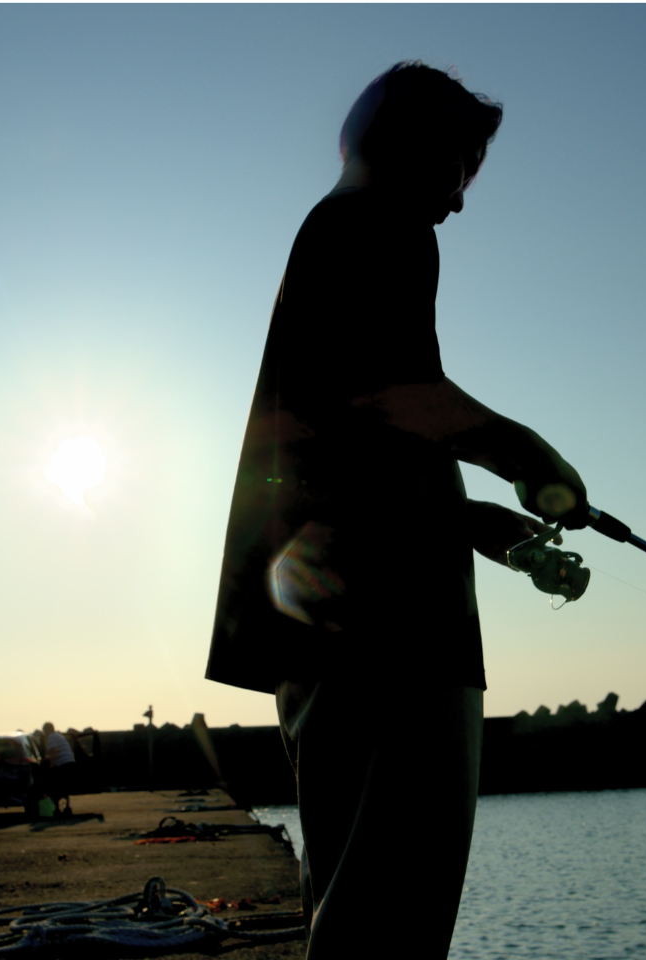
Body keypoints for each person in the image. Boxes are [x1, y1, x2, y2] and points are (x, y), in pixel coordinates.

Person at [205, 62, 589, 959]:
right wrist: (530, 456)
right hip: (395, 638)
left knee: (351, 899)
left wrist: (499, 535)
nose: (458, 202)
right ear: (419, 141)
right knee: (394, 917)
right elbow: (396, 396)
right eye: (464, 166)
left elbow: (361, 454)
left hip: (332, 631)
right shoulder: (381, 226)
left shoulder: (331, 238)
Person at [42, 721, 76, 817]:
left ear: (46, 730)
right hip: (70, 762)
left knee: (56, 787)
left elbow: (54, 750)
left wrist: (51, 765)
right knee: (64, 788)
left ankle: (58, 809)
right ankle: (66, 808)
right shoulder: (59, 736)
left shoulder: (51, 737)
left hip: (63, 764)